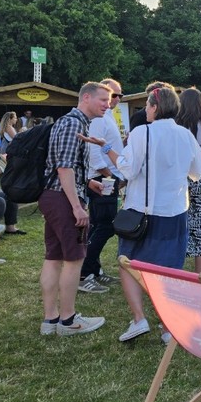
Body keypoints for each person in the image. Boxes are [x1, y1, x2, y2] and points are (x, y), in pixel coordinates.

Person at [84, 86, 201, 343]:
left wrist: (107, 149)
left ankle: (139, 318)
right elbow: (197, 171)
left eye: (148, 106)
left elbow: (127, 169)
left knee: (127, 264)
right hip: (174, 210)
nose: (146, 111)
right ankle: (166, 327)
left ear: (154, 107)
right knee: (170, 271)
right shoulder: (185, 135)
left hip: (143, 211)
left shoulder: (142, 133)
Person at [37, 82, 110, 337]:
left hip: (54, 196)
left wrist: (87, 182)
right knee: (74, 258)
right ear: (86, 97)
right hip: (63, 199)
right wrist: (77, 207)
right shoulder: (74, 123)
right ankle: (68, 321)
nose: (107, 104)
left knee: (54, 258)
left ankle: (50, 320)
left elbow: (64, 165)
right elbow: (64, 168)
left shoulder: (71, 123)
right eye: (103, 99)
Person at [79, 78, 125, 294]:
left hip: (105, 177)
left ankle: (93, 271)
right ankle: (83, 272)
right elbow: (93, 151)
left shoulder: (107, 116)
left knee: (99, 225)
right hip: (101, 179)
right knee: (105, 226)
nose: (114, 100)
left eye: (117, 96)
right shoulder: (99, 118)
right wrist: (111, 177)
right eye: (110, 96)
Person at [176, 88, 201, 273]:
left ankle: (178, 269)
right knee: (200, 223)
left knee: (179, 223)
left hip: (180, 177)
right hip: (200, 176)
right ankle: (200, 273)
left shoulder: (176, 124)